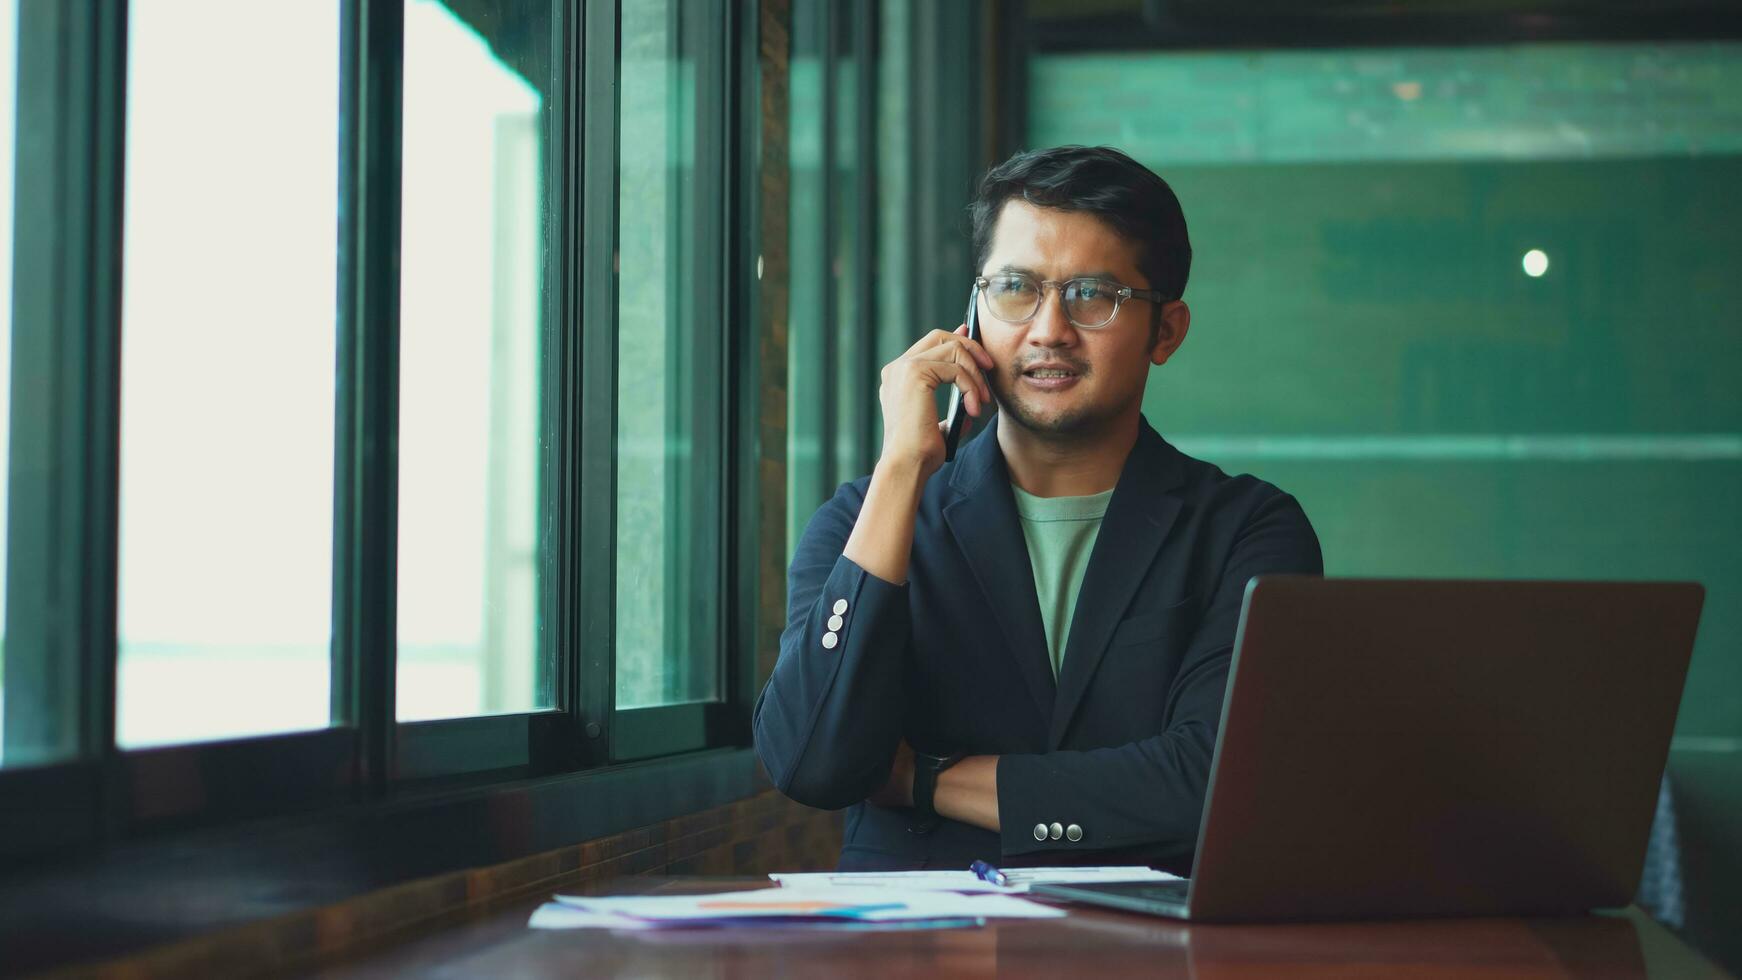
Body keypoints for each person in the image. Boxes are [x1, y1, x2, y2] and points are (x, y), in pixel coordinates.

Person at [754, 145, 1323, 872]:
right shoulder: (866, 521)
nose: (1049, 329)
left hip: (1155, 956)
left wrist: (920, 780)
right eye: (1016, 288)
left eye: (1093, 295)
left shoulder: (1246, 530)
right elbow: (811, 763)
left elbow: (1214, 785)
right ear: (973, 313)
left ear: (1167, 331)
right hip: (914, 956)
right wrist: (902, 468)